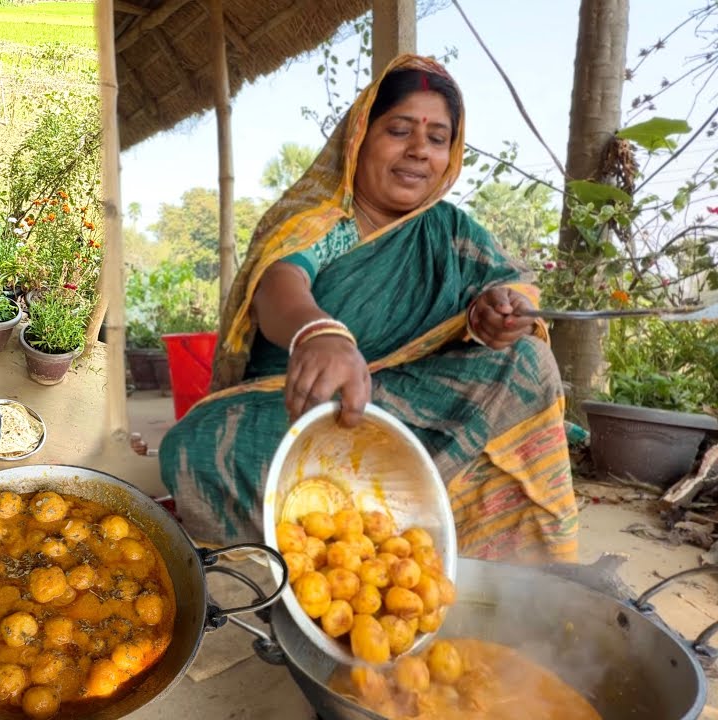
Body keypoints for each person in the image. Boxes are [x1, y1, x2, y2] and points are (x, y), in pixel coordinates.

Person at [159, 55, 579, 563]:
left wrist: (501, 312)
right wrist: (319, 334)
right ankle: (379, 534)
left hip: (406, 412)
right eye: (400, 130)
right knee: (198, 446)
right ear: (360, 137)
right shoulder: (321, 221)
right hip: (305, 410)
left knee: (528, 365)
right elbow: (280, 282)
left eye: (438, 138)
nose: (419, 151)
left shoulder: (451, 232)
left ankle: (436, 539)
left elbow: (513, 288)